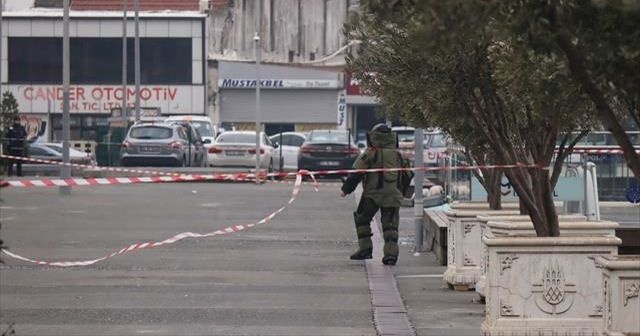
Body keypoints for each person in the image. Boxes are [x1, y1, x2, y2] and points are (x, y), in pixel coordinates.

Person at [340, 124, 408, 266]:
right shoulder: (398, 155)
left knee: (362, 219)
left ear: (373, 136)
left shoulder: (370, 153)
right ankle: (391, 255)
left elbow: (357, 173)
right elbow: (408, 174)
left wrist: (346, 189)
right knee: (391, 226)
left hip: (372, 195)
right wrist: (401, 191)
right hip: (393, 195)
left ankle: (365, 249)